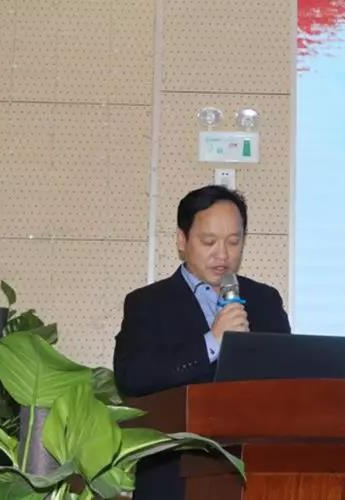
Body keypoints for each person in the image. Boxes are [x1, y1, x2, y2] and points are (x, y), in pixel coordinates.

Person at [113, 185, 291, 499]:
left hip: (256, 476)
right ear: (182, 240)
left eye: (233, 241)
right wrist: (212, 341)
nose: (222, 254)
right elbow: (133, 376)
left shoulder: (264, 300)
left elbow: (289, 379)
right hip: (174, 478)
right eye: (209, 241)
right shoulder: (148, 303)